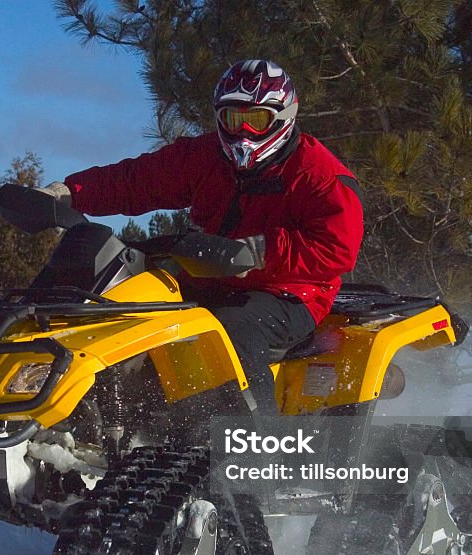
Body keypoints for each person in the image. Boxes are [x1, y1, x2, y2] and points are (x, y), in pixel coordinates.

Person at [43, 59, 364, 415]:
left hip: (289, 293)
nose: (242, 132)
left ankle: (261, 452)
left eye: (256, 120)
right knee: (125, 300)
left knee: (232, 330)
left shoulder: (319, 175)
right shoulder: (205, 157)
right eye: (231, 118)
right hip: (210, 274)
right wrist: (70, 193)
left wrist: (260, 252)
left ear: (283, 117)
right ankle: (98, 412)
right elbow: (139, 180)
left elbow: (337, 248)